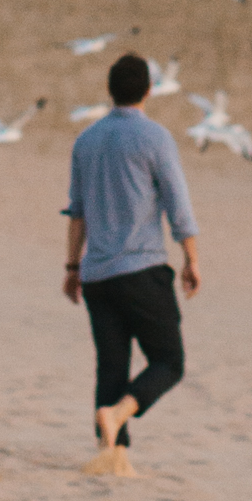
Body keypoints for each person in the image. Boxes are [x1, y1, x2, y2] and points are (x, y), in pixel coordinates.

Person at [63, 53, 201, 474]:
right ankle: (121, 415)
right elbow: (178, 205)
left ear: (110, 91)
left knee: (111, 365)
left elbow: (78, 213)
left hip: (98, 275)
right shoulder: (154, 138)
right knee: (168, 361)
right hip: (141, 269)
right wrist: (191, 258)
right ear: (148, 90)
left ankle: (113, 456)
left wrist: (71, 268)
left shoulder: (85, 141)